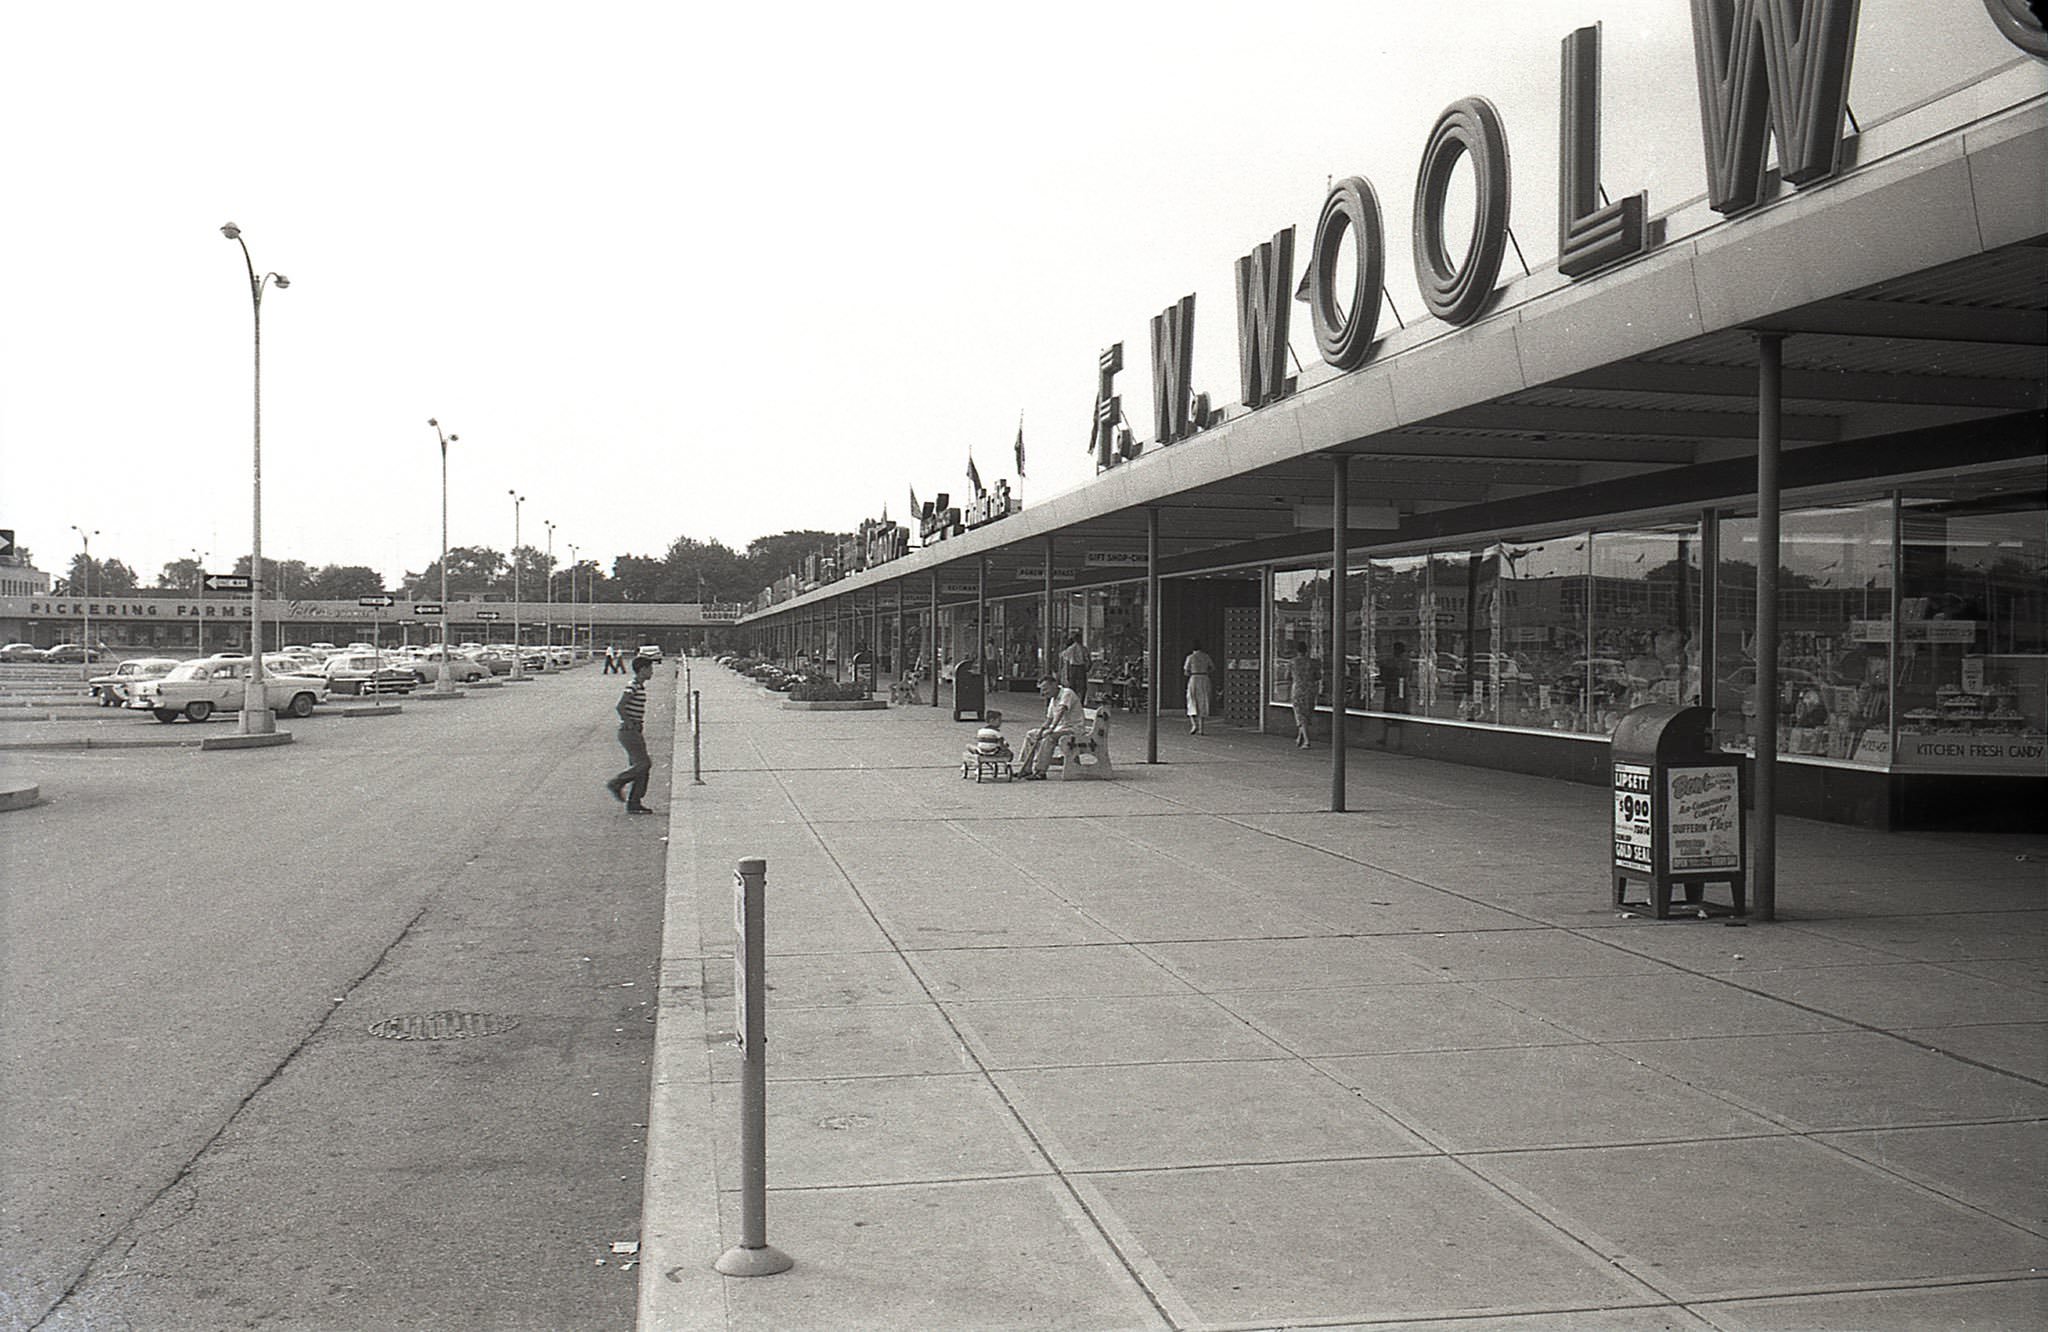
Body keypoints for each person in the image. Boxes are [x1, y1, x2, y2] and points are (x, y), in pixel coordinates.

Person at [605, 655, 657, 813]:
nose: (652, 672)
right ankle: (617, 783)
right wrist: (629, 723)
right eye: (650, 669)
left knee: (641, 768)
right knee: (644, 764)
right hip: (629, 731)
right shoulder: (633, 686)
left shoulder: (639, 686)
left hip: (634, 730)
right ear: (642, 670)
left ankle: (634, 803)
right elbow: (620, 706)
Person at [1018, 673, 1082, 779]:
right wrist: (1042, 730)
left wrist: (1051, 729)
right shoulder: (1053, 699)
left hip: (1073, 728)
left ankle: (1040, 771)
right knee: (1031, 734)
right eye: (1042, 689)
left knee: (1049, 737)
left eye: (1046, 689)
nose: (1044, 692)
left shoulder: (1067, 693)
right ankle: (1026, 769)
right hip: (1059, 728)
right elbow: (1049, 719)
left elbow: (1061, 711)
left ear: (1054, 684)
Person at [1377, 640, 1411, 746]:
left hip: (1393, 688)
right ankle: (1400, 741)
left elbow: (1384, 673)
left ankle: (1386, 738)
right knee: (1398, 715)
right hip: (1402, 688)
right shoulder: (1406, 662)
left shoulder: (1391, 661)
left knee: (1390, 714)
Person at [1289, 641, 1320, 749]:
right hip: (1310, 690)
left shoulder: (1293, 662)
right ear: (1306, 650)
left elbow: (1287, 676)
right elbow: (1318, 676)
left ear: (1296, 650)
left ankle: (1306, 741)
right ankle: (1299, 737)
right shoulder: (1314, 662)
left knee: (1300, 714)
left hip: (1298, 689)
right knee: (1307, 713)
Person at [1183, 639, 1215, 734]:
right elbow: (1212, 668)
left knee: (1192, 700)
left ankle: (1194, 725)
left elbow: (1186, 671)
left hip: (1194, 678)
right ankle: (1202, 728)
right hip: (1204, 678)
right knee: (1203, 701)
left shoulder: (1190, 657)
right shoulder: (1206, 656)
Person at [1058, 630, 1089, 703]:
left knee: (1072, 686)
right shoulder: (1083, 648)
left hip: (1073, 667)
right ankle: (1081, 702)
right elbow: (1088, 659)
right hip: (1081, 667)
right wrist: (1087, 668)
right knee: (1082, 687)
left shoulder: (1070, 649)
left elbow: (1063, 656)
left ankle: (1072, 701)